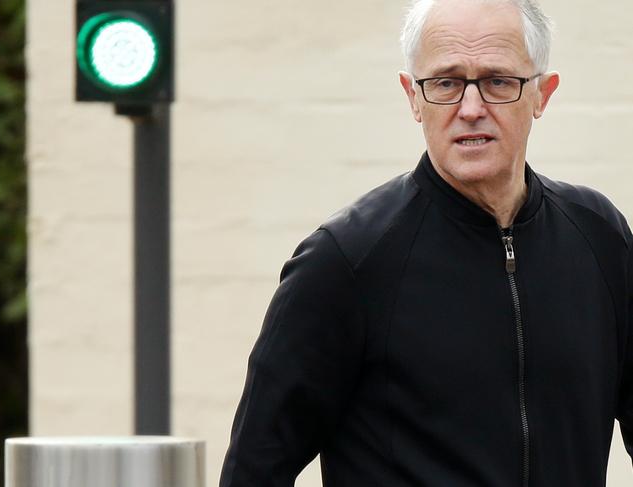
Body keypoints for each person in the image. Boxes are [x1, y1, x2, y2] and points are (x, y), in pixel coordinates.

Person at [219, 0, 633, 485]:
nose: (471, 109)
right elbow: (254, 470)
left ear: (542, 93)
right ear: (412, 97)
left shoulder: (600, 237)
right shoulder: (345, 261)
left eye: (499, 81)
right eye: (446, 83)